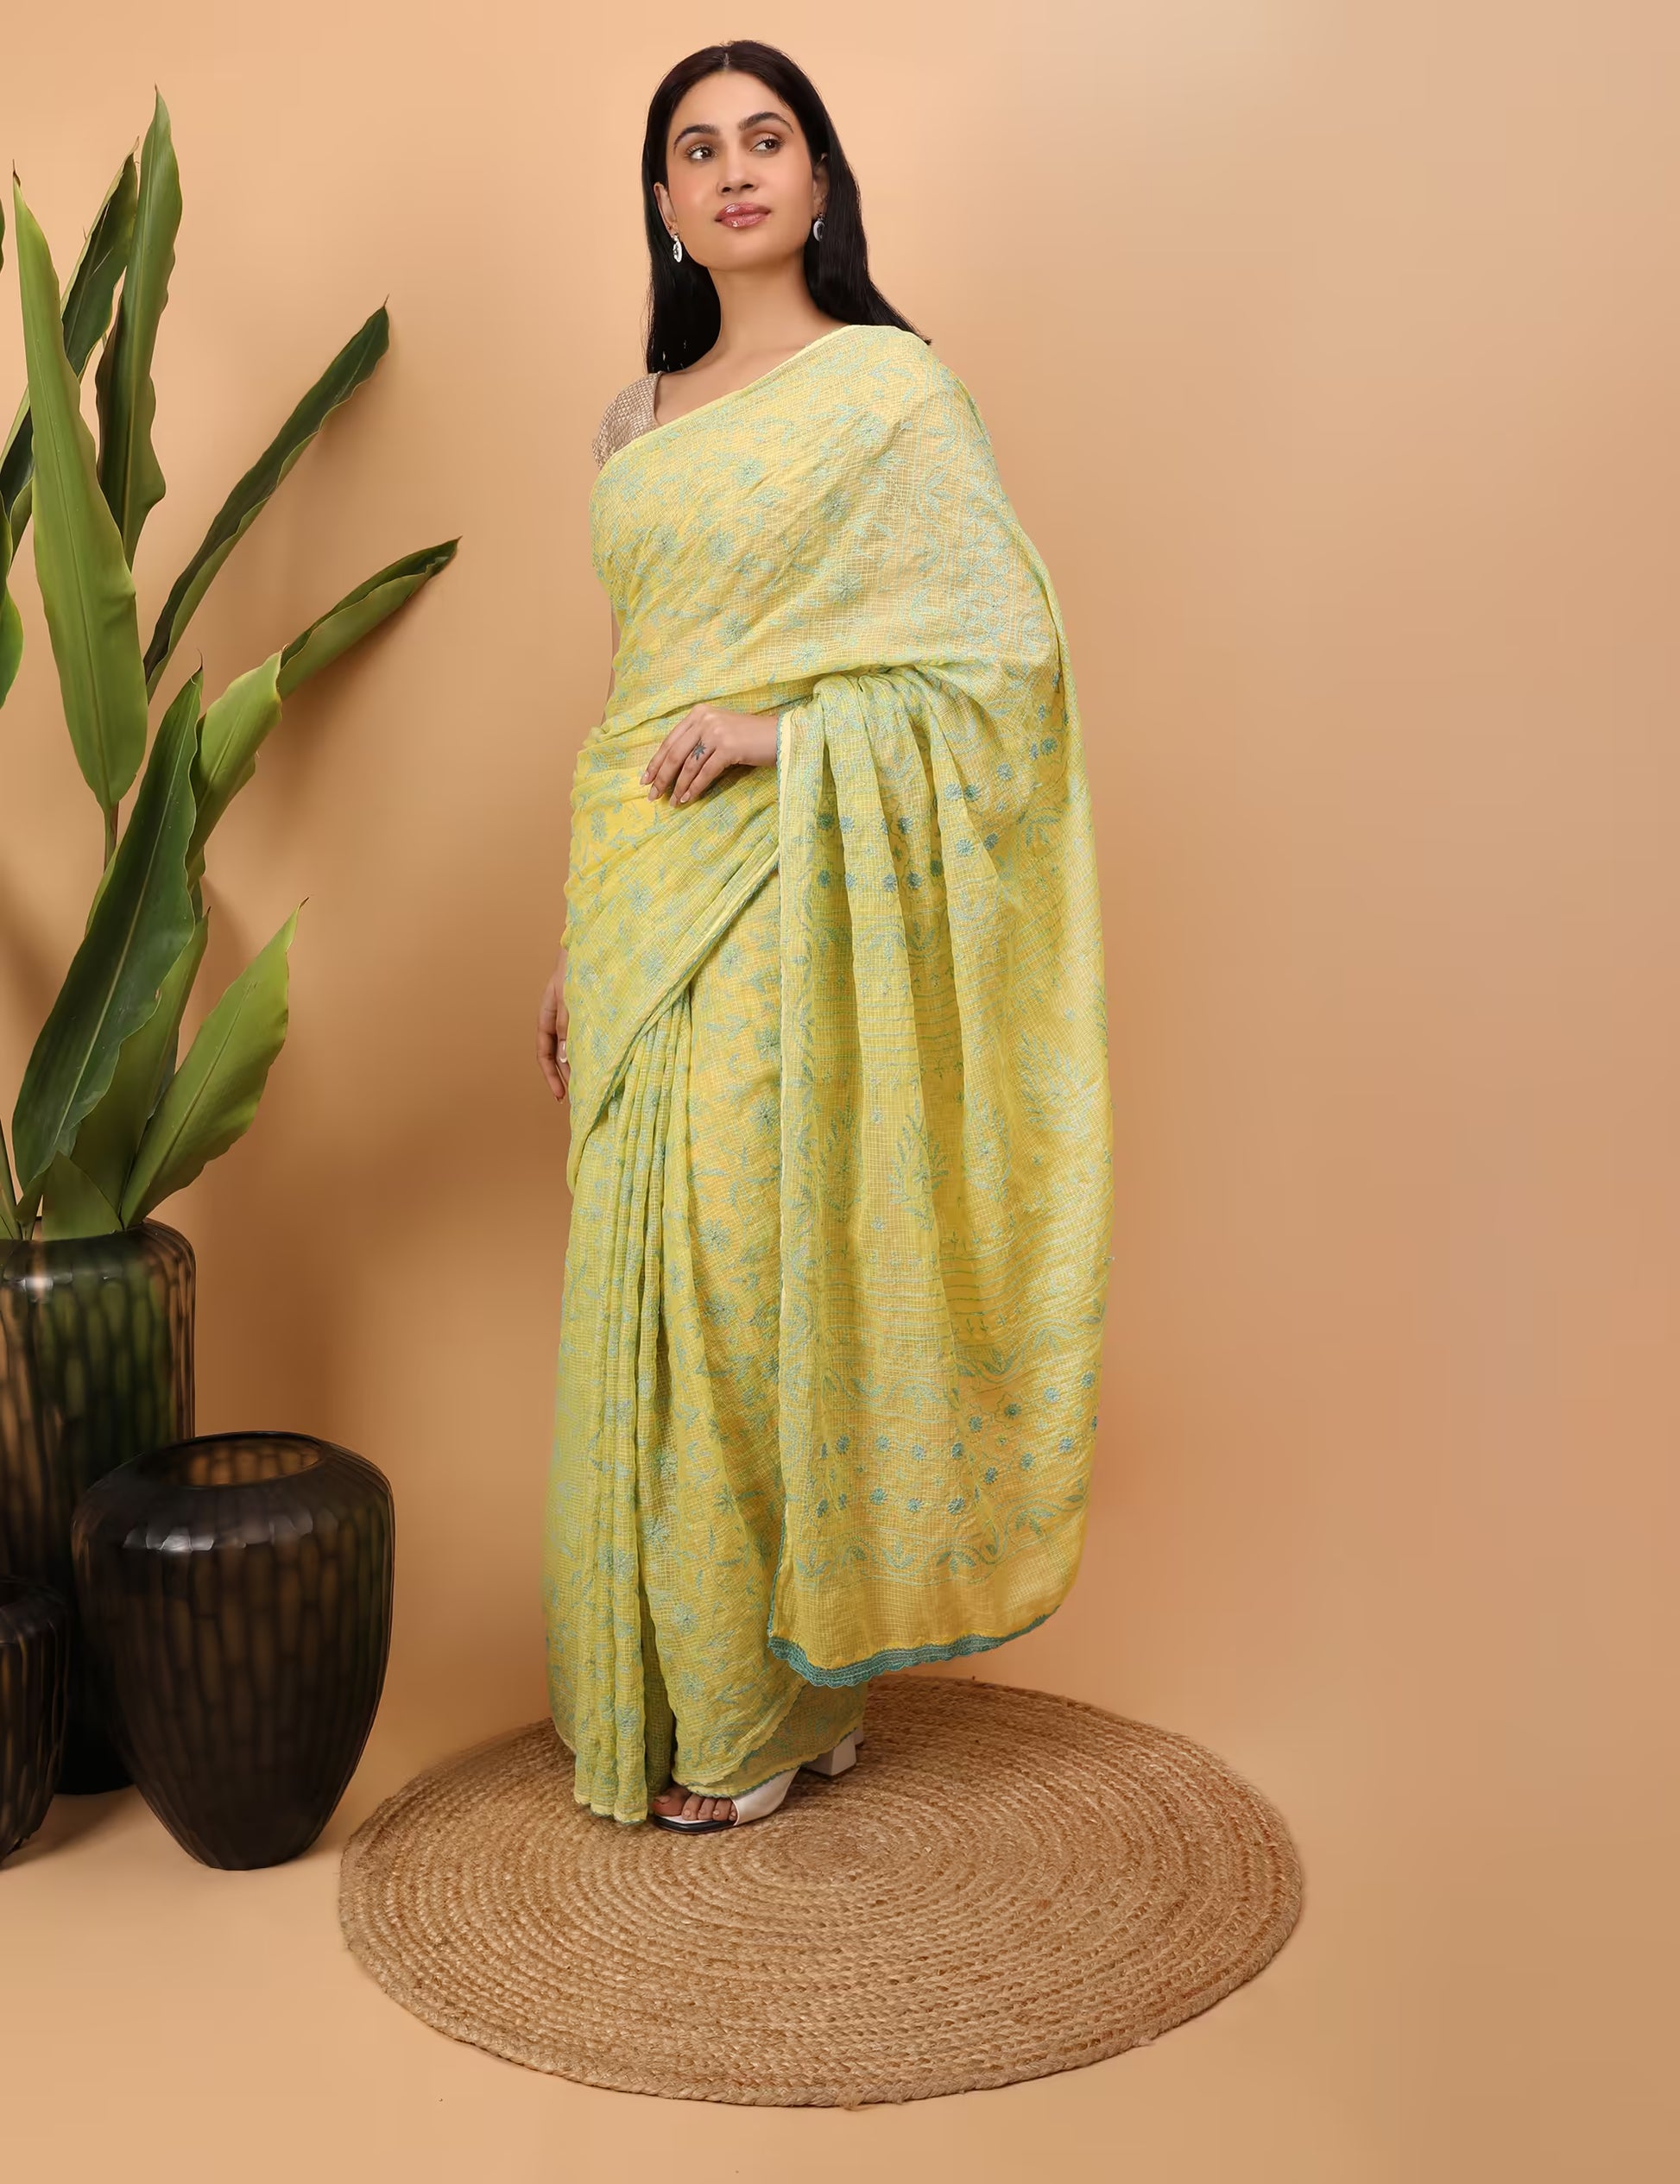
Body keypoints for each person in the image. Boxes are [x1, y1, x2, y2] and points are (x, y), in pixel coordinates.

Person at [537, 41, 1113, 1834]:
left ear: (816, 175)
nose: (730, 172)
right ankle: (739, 1677)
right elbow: (638, 689)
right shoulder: (634, 416)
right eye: (694, 150)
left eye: (763, 139)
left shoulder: (888, 392)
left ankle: (759, 1707)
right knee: (640, 1295)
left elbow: (999, 672)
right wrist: (574, 939)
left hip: (790, 883)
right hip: (636, 884)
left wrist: (788, 741)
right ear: (661, 204)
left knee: (744, 1284)